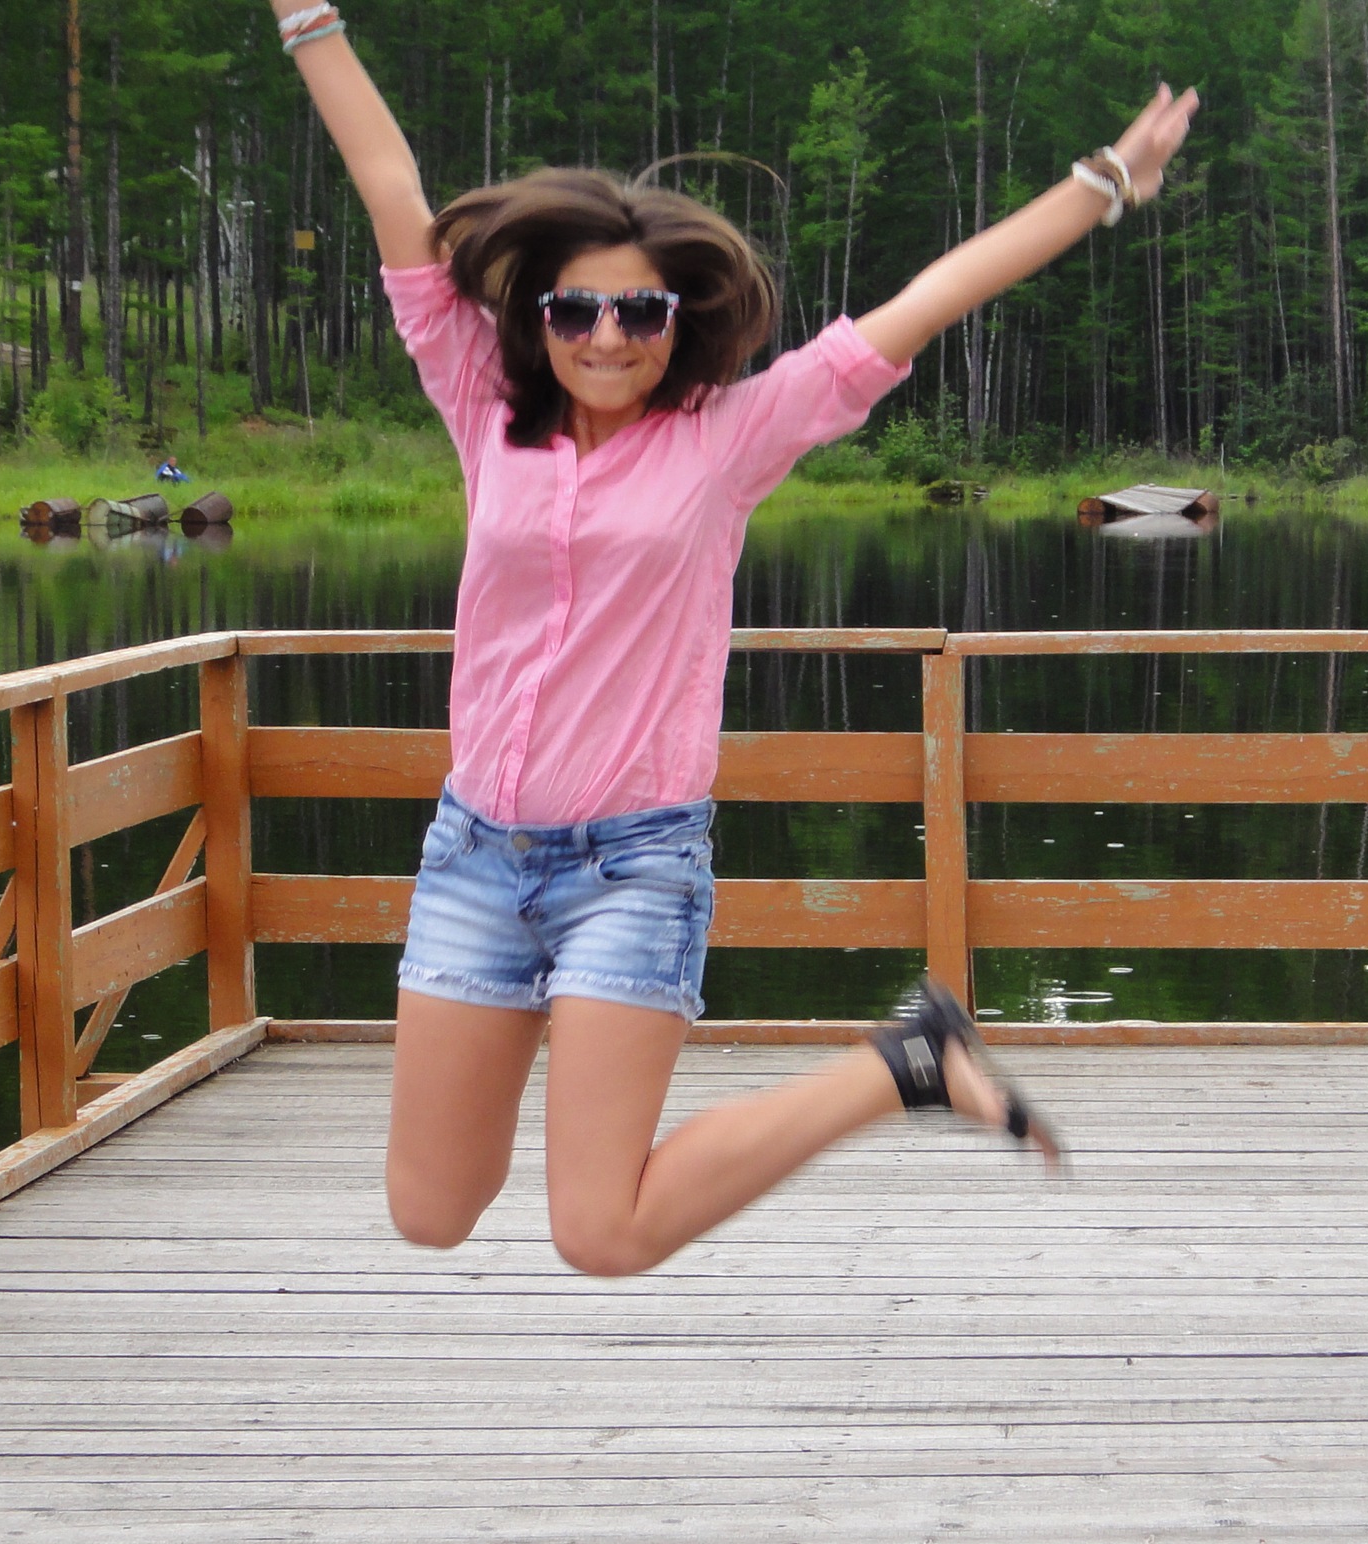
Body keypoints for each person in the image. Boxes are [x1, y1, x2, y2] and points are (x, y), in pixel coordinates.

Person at [274, 0, 1196, 1275]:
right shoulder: (482, 402)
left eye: (639, 313)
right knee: (432, 1212)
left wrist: (1102, 183)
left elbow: (928, 300)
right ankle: (907, 1060)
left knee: (601, 1232)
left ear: (678, 320)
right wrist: (307, 17)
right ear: (536, 316)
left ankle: (902, 1065)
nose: (606, 338)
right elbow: (391, 183)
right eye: (576, 312)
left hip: (632, 870)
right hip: (474, 854)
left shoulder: (729, 438)